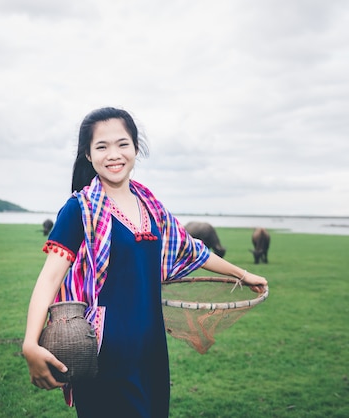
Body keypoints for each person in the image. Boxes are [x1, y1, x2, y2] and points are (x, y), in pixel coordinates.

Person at [22, 107, 268, 417]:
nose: (114, 154)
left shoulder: (153, 208)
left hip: (152, 354)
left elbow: (193, 250)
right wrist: (30, 343)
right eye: (102, 146)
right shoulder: (79, 209)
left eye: (122, 144)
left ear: (136, 148)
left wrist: (243, 274)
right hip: (103, 356)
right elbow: (48, 279)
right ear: (88, 154)